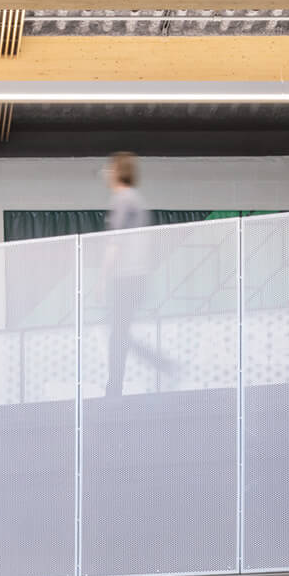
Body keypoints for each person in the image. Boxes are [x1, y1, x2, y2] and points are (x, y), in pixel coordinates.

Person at [100, 151, 173, 398]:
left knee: (117, 334)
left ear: (119, 171)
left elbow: (115, 241)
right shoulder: (137, 200)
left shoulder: (122, 198)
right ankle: (119, 384)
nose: (107, 174)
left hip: (126, 277)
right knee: (119, 332)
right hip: (137, 277)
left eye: (110, 169)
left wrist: (103, 276)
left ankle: (114, 388)